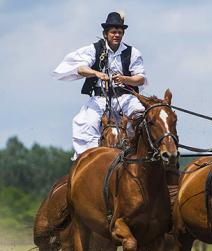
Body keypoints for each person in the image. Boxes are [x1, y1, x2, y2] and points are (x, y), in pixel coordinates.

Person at [52, 12, 147, 160]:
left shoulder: (133, 53)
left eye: (120, 32)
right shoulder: (94, 49)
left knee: (141, 116)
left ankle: (142, 156)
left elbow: (140, 79)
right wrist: (97, 74)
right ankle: (89, 161)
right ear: (105, 34)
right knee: (86, 123)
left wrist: (125, 79)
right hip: (100, 98)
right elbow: (81, 68)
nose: (116, 35)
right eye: (113, 32)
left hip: (125, 98)